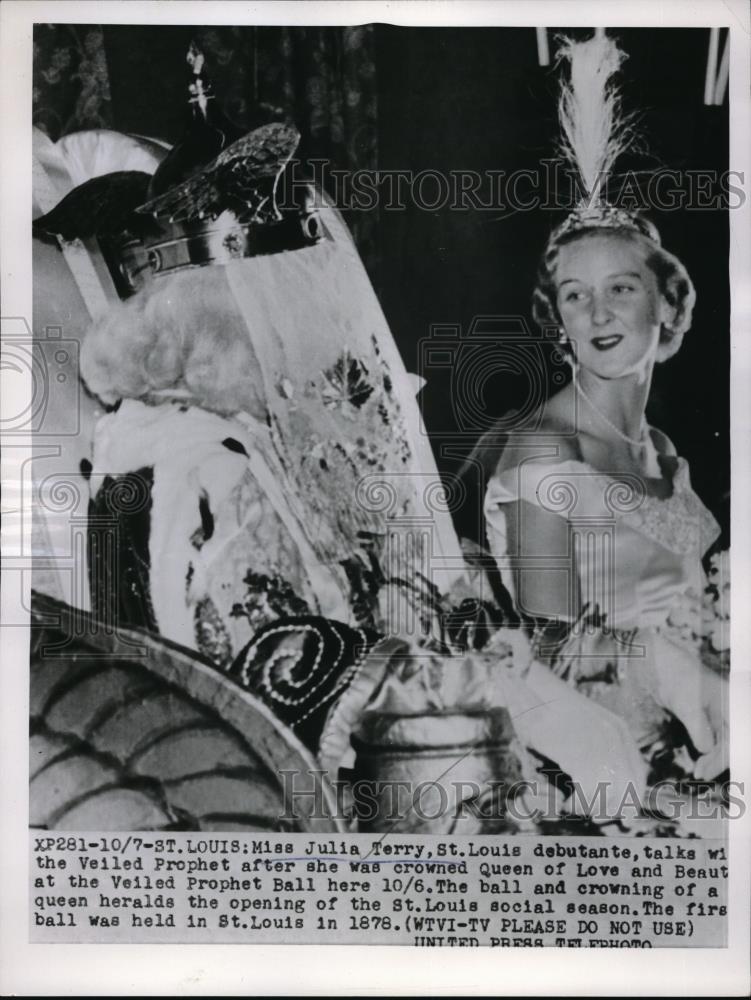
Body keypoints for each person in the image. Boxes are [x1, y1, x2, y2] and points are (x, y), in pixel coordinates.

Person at [482, 36, 728, 797]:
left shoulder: (658, 446)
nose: (597, 311)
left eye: (620, 287)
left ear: (668, 301)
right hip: (614, 775)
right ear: (554, 319)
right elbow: (552, 661)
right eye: (573, 294)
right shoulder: (541, 455)